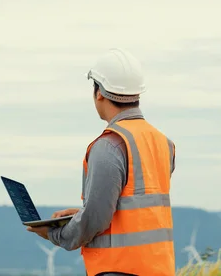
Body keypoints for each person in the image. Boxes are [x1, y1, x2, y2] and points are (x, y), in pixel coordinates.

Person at [27, 48, 176, 276]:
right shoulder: (163, 143)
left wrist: (54, 233)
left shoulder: (110, 145)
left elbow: (96, 219)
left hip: (119, 269)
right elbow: (136, 207)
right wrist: (82, 212)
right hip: (158, 268)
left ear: (99, 93)